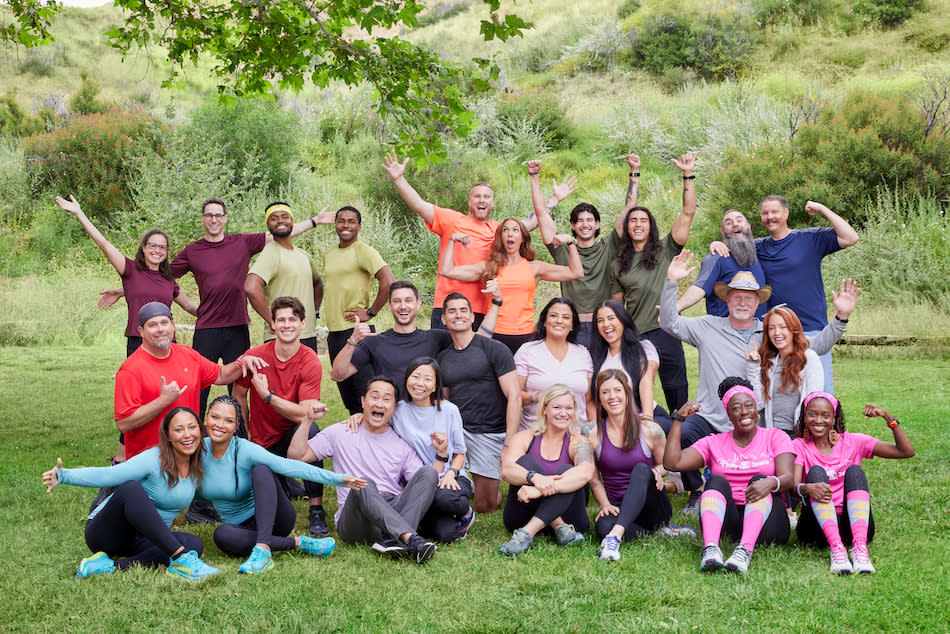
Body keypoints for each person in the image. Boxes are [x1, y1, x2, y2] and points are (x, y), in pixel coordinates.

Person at [659, 251, 860, 514]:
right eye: (737, 296)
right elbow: (668, 322)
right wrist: (671, 281)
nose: (742, 302)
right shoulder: (707, 326)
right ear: (727, 300)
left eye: (749, 298)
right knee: (681, 435)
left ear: (757, 304)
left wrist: (840, 318)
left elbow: (812, 346)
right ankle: (697, 489)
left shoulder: (768, 332)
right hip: (711, 416)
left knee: (774, 468)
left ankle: (760, 491)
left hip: (752, 421)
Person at [97, 198, 323, 421]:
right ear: (203, 219)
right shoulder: (192, 251)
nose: (214, 219)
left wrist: (314, 221)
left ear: (225, 219)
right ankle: (191, 436)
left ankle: (240, 440)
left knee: (238, 390)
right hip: (207, 328)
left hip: (237, 327)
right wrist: (123, 289)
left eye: (218, 215)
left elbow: (280, 232)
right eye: (209, 215)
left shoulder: (242, 243)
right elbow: (158, 279)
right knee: (197, 390)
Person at [41, 407, 219, 581]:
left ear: (199, 429)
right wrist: (64, 476)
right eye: (179, 429)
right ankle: (180, 560)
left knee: (194, 544)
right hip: (107, 532)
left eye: (192, 427)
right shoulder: (153, 459)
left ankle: (111, 566)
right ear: (168, 435)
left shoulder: (197, 467)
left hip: (144, 540)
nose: (187, 434)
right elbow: (108, 475)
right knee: (131, 489)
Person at [198, 395, 367, 573]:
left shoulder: (244, 449)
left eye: (228, 420)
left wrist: (337, 479)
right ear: (206, 417)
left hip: (275, 517)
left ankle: (263, 550)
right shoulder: (198, 452)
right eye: (214, 417)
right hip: (239, 527)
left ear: (236, 425)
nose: (219, 425)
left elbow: (289, 466)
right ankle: (299, 543)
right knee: (222, 535)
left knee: (262, 470)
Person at [713, 197, 860, 392]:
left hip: (812, 330)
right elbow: (734, 242)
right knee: (782, 394)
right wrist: (716, 243)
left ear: (786, 213)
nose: (769, 217)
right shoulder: (757, 247)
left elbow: (850, 237)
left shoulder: (809, 239)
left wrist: (822, 208)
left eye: (774, 212)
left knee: (819, 395)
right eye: (765, 213)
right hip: (777, 334)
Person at [288, 377, 440, 564]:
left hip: (390, 507)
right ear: (363, 402)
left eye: (386, 399)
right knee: (363, 483)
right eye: (374, 397)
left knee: (428, 473)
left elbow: (422, 485)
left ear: (394, 407)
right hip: (357, 519)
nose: (379, 403)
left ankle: (393, 538)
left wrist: (441, 455)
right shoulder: (340, 432)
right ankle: (409, 538)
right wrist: (307, 420)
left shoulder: (401, 443)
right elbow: (296, 457)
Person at [383, 151, 543, 329]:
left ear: (492, 202)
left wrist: (549, 193)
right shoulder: (453, 220)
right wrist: (399, 179)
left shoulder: (501, 230)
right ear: (469, 202)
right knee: (443, 356)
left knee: (477, 357)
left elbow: (535, 219)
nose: (482, 200)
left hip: (481, 309)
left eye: (486, 197)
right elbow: (419, 205)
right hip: (448, 306)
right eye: (477, 196)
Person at [664, 377, 794, 574]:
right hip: (728, 521)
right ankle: (711, 549)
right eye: (736, 408)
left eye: (749, 405)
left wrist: (771, 482)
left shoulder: (775, 437)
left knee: (760, 479)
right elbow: (672, 463)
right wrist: (678, 420)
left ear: (756, 411)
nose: (744, 411)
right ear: (729, 416)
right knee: (714, 481)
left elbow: (788, 478)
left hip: (768, 522)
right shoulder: (713, 443)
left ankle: (745, 550)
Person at [115, 301, 266, 461]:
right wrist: (163, 401)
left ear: (172, 326)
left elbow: (221, 375)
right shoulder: (131, 369)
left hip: (188, 455)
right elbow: (124, 423)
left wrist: (241, 362)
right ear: (141, 331)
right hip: (151, 461)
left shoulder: (187, 354)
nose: (160, 329)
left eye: (164, 323)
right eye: (152, 325)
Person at [346, 358, 474, 543]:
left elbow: (460, 454)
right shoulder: (399, 410)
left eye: (427, 379)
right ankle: (422, 521)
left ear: (435, 384)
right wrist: (360, 414)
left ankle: (467, 512)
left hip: (448, 477)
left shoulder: (449, 410)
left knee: (445, 499)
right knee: (444, 534)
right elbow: (377, 419)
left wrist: (451, 474)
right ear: (407, 379)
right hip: (414, 483)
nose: (420, 383)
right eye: (416, 376)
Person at [232, 296, 330, 537]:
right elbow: (238, 394)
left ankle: (316, 508)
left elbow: (305, 413)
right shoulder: (255, 356)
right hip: (260, 440)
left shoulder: (310, 361)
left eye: (292, 320)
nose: (287, 325)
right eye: (281, 320)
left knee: (313, 432)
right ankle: (285, 483)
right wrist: (243, 432)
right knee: (273, 502)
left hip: (292, 435)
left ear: (303, 323)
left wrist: (267, 396)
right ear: (272, 324)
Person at [610, 152, 698, 413]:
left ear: (651, 226)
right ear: (627, 227)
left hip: (667, 331)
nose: (638, 224)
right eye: (633, 221)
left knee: (677, 393)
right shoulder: (618, 264)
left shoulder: (666, 248)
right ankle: (646, 438)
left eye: (643, 220)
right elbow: (618, 309)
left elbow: (688, 211)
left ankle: (681, 441)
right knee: (635, 396)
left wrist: (687, 175)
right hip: (636, 335)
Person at [56, 195, 197, 357]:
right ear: (143, 248)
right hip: (139, 342)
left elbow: (190, 307)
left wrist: (219, 311)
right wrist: (79, 213)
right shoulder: (129, 269)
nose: (157, 250)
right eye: (153, 245)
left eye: (162, 247)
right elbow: (103, 243)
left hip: (167, 343)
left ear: (166, 252)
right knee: (139, 383)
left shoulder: (169, 279)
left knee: (168, 383)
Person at [792, 394, 914, 574]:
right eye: (812, 414)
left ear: (834, 418)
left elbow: (906, 451)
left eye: (825, 415)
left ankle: (859, 549)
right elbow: (792, 487)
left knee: (854, 471)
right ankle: (836, 548)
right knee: (816, 472)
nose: (818, 420)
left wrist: (889, 418)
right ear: (804, 416)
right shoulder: (799, 445)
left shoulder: (853, 442)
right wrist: (807, 488)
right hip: (816, 528)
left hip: (853, 525)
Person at [530, 157, 634, 347]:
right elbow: (541, 214)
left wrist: (634, 172)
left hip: (602, 325)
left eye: (589, 220)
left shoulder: (609, 245)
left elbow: (629, 209)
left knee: (603, 375)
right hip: (572, 326)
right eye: (579, 220)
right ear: (573, 225)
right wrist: (534, 176)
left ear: (597, 224)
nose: (585, 224)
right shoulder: (562, 248)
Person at [440, 217, 583, 354]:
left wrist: (571, 242)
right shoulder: (489, 267)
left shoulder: (534, 268)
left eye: (515, 230)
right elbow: (446, 270)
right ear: (501, 238)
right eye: (505, 230)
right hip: (493, 333)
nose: (510, 233)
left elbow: (575, 272)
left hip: (525, 335)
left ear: (522, 238)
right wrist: (452, 240)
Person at [437, 292, 522, 514]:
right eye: (452, 311)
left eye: (463, 310)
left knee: (486, 506)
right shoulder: (443, 358)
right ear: (444, 319)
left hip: (489, 433)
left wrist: (508, 444)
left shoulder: (494, 349)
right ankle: (471, 477)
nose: (458, 315)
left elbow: (514, 395)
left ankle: (485, 483)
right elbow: (446, 400)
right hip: (459, 431)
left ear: (472, 316)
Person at [309, 205, 395, 414]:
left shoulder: (364, 251)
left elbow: (389, 281)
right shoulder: (328, 253)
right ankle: (355, 441)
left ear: (359, 226)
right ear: (335, 224)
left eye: (351, 221)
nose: (345, 225)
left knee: (365, 394)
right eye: (341, 221)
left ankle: (375, 439)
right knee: (346, 393)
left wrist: (371, 312)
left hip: (358, 332)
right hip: (335, 332)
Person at [590, 369, 682, 561]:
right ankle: (657, 533)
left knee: (641, 469)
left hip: (653, 506)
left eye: (617, 390)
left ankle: (615, 537)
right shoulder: (594, 432)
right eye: (605, 392)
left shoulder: (650, 429)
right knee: (602, 527)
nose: (612, 397)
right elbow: (593, 478)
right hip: (618, 508)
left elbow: (667, 464)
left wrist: (656, 471)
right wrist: (605, 504)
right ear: (599, 398)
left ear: (627, 394)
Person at [498, 384, 595, 556]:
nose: (563, 413)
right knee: (528, 462)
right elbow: (506, 470)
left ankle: (526, 534)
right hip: (522, 516)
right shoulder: (525, 437)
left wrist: (537, 490)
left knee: (568, 470)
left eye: (569, 408)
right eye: (557, 407)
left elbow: (585, 473)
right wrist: (534, 478)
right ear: (544, 410)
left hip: (571, 520)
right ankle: (559, 527)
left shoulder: (579, 441)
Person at [245, 201, 324, 351]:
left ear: (292, 221)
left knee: (308, 375)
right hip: (281, 337)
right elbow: (251, 287)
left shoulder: (303, 255)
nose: (280, 220)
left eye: (284, 216)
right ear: (268, 227)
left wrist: (315, 311)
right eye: (274, 218)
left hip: (306, 334)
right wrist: (272, 321)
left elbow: (317, 283)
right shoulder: (270, 253)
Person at [588, 299, 672, 433]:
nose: (606, 324)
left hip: (645, 415)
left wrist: (648, 421)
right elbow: (591, 397)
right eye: (600, 320)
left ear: (623, 320)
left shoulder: (643, 348)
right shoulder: (594, 356)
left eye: (611, 318)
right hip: (613, 423)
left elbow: (646, 383)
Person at [514, 297, 593, 430]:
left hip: (575, 436)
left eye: (566, 317)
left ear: (572, 324)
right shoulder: (527, 351)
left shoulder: (583, 353)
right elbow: (514, 396)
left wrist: (594, 430)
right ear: (544, 321)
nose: (559, 321)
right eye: (553, 315)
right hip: (535, 434)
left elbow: (588, 400)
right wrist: (536, 396)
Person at [675, 209, 767, 318]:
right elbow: (699, 288)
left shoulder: (760, 252)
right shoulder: (717, 258)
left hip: (758, 332)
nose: (735, 224)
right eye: (729, 223)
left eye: (739, 220)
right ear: (723, 232)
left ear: (748, 226)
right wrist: (673, 309)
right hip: (725, 332)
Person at [749, 305, 823, 432]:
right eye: (771, 328)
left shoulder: (809, 358)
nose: (777, 333)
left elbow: (813, 400)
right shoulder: (769, 362)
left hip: (799, 432)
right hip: (771, 433)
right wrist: (753, 366)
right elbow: (759, 404)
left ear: (793, 329)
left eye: (783, 327)